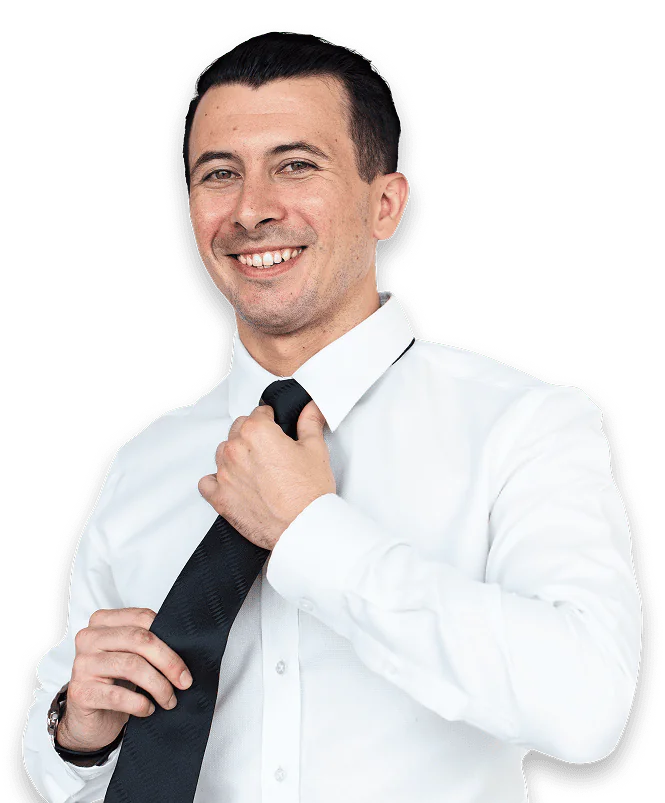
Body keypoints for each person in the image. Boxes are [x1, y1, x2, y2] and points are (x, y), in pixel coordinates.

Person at [23, 31, 641, 803]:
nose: (251, 209)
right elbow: (66, 765)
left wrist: (310, 532)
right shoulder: (146, 461)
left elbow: (587, 706)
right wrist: (78, 733)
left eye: (295, 165)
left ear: (385, 204)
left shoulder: (522, 426)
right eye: (219, 174)